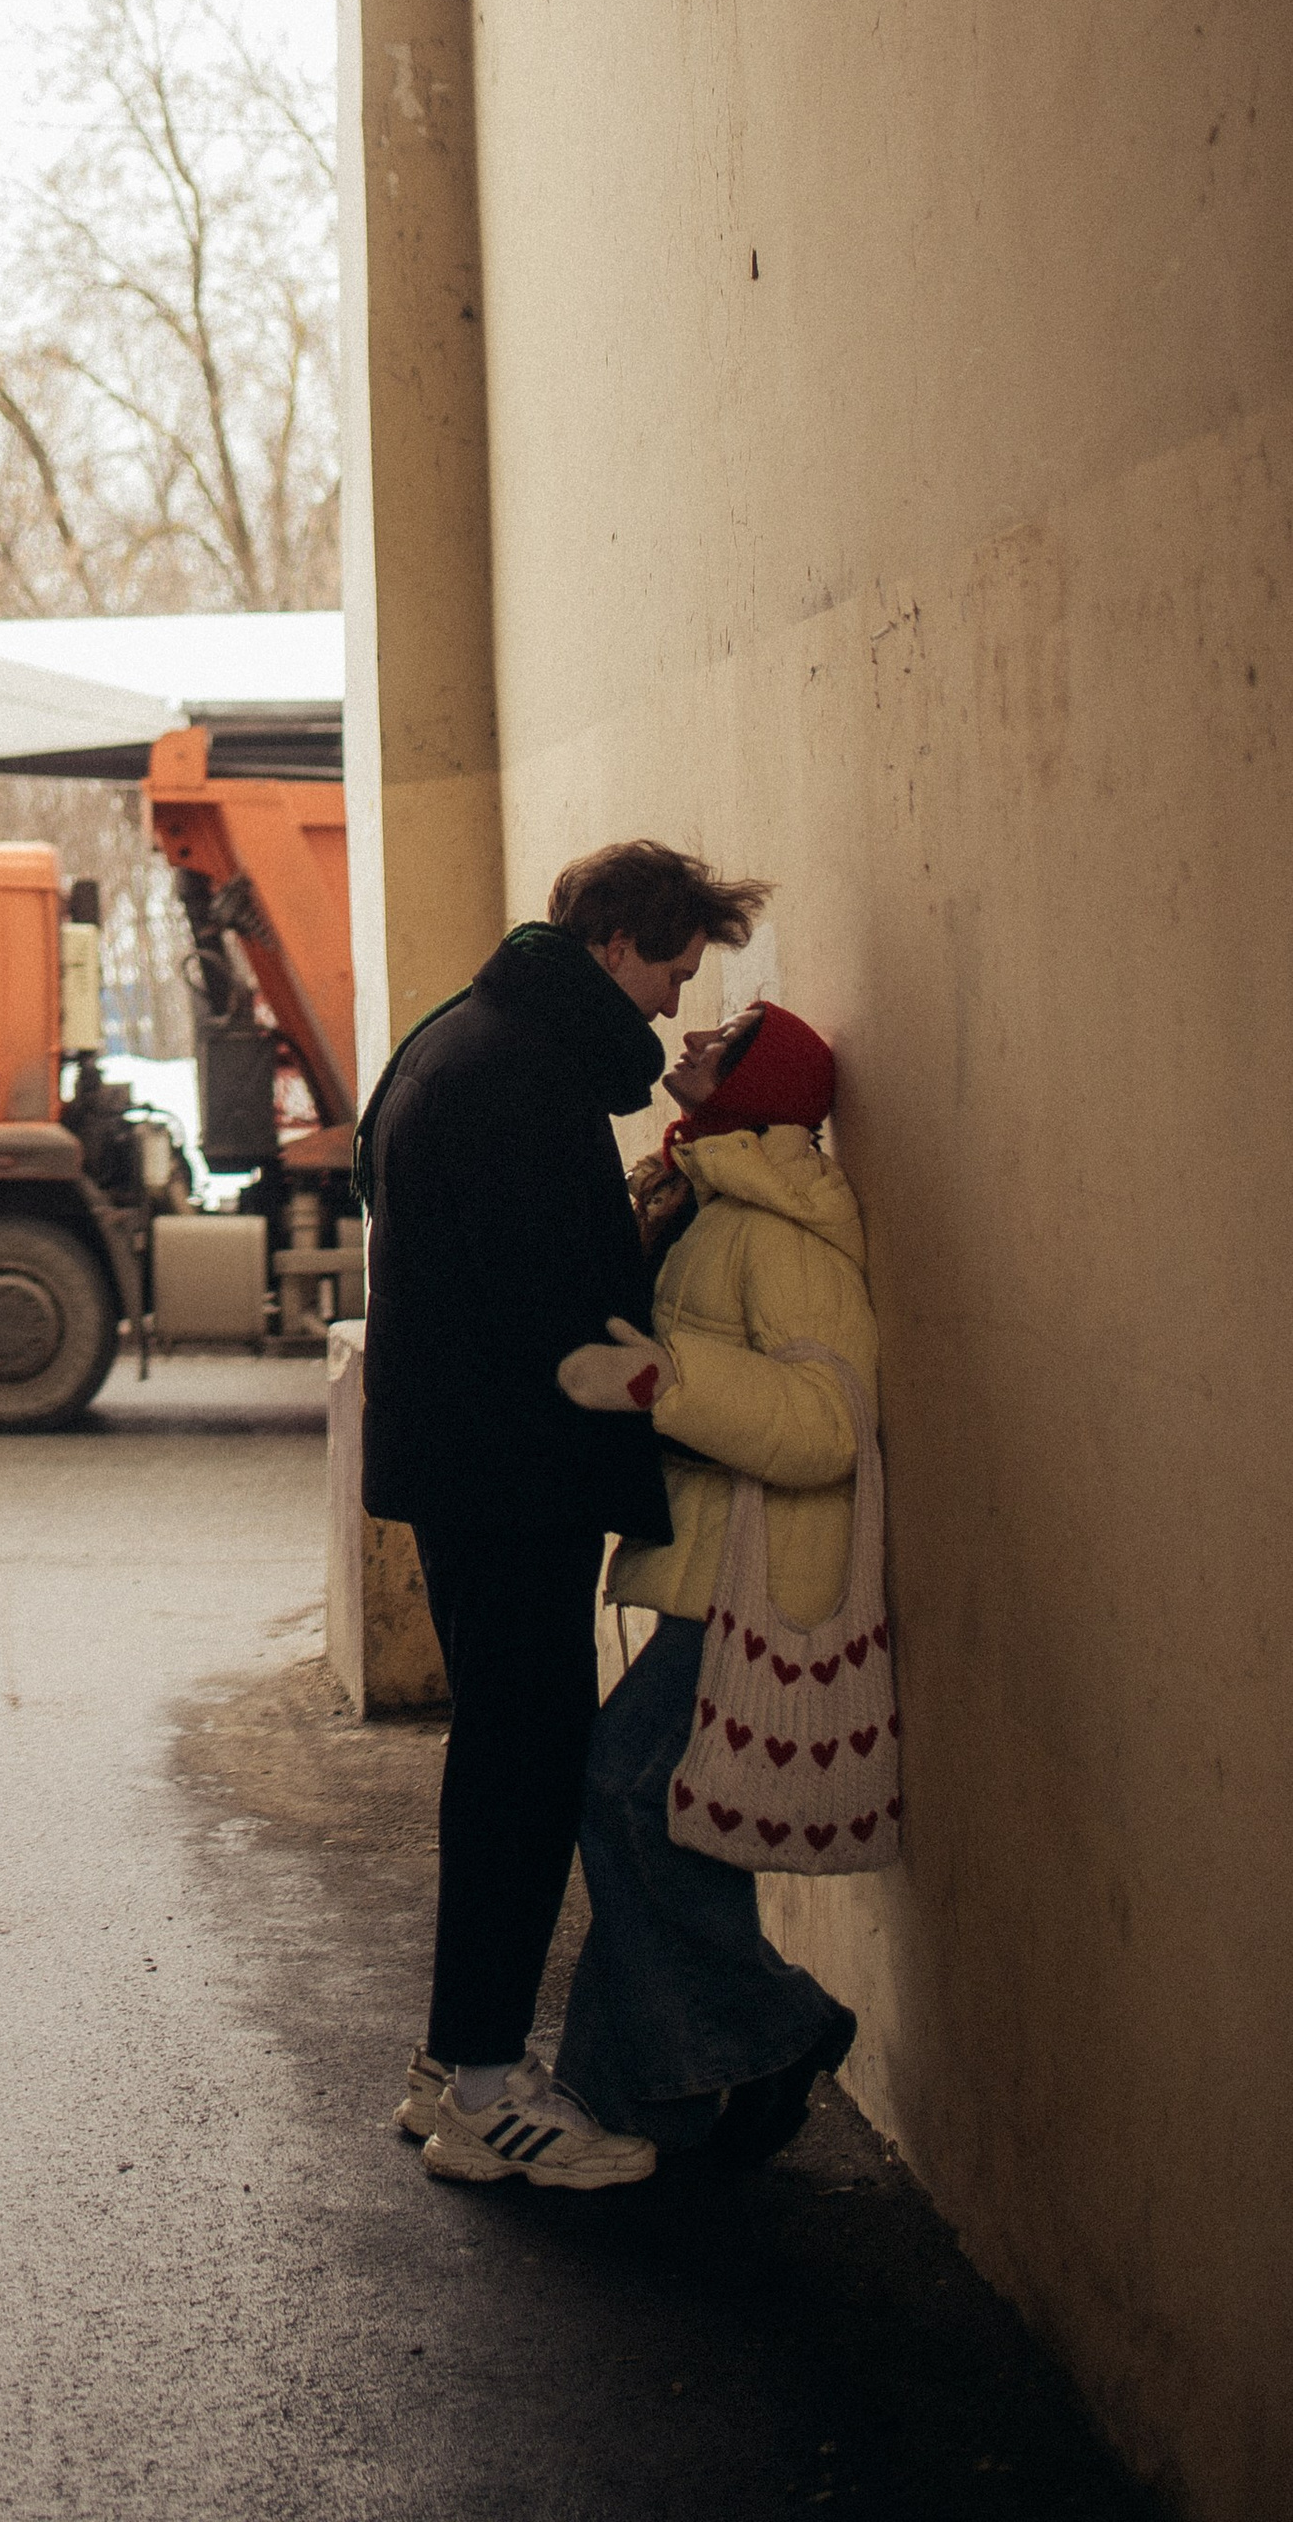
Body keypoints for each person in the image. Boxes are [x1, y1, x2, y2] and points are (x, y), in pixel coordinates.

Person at [357, 839, 768, 2190]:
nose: (669, 1002)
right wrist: (667, 1288)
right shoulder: (522, 1083)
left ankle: (450, 2066)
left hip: (463, 1466)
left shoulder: (461, 1042)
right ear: (611, 949)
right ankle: (486, 2093)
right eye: (667, 968)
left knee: (504, 1759)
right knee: (525, 1772)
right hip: (513, 1473)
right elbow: (569, 1318)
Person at [552, 998, 875, 2163]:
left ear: (756, 1090)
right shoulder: (715, 1200)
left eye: (721, 1045)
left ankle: (768, 2032)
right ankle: (629, 2097)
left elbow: (827, 1423)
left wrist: (660, 1387)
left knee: (629, 1792)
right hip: (708, 1567)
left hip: (748, 1583)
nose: (688, 1044)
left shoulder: (778, 1232)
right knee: (656, 1809)